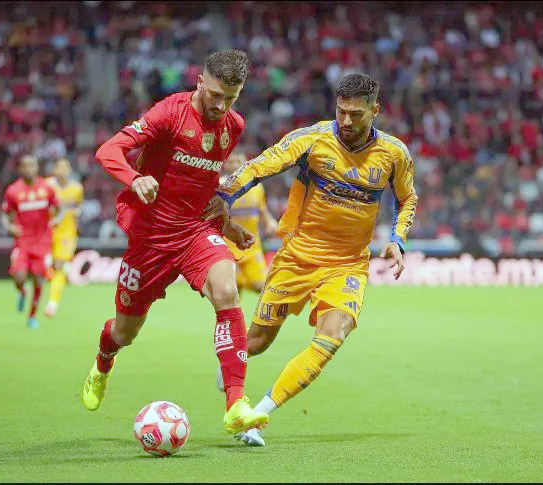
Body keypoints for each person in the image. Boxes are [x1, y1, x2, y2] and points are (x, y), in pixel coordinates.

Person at [205, 73, 418, 445]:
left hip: (348, 264)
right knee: (256, 342)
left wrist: (398, 240)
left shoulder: (394, 154)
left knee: (333, 335)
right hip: (297, 258)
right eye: (341, 111)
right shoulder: (313, 139)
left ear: (375, 110)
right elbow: (260, 165)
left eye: (356, 114)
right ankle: (232, 365)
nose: (347, 121)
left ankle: (258, 415)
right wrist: (225, 197)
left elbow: (408, 199)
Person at [81, 49, 269, 435]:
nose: (220, 105)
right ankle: (103, 361)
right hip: (150, 238)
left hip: (195, 232)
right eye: (215, 94)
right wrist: (134, 178)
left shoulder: (234, 125)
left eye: (230, 98)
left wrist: (226, 222)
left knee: (227, 290)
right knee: (124, 332)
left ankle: (236, 404)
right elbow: (108, 150)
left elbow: (200, 183)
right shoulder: (170, 112)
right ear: (200, 81)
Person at [0, 155, 62, 329]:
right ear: (20, 169)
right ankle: (21, 291)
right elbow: (5, 214)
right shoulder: (13, 191)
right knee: (18, 277)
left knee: (38, 279)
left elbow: (59, 209)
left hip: (43, 241)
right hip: (23, 241)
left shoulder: (47, 188)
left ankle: (32, 316)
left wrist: (56, 219)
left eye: (32, 165)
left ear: (37, 167)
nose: (29, 169)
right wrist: (10, 227)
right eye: (25, 166)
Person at [220, 151, 278, 294]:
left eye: (237, 162)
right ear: (226, 164)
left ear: (244, 164)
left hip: (252, 245)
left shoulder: (256, 187)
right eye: (230, 162)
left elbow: (262, 211)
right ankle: (232, 316)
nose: (234, 165)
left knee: (261, 286)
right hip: (228, 246)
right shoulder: (220, 186)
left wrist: (270, 222)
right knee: (232, 290)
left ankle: (264, 315)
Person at [44, 158, 84, 317]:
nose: (62, 170)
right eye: (59, 167)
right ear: (54, 169)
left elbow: (78, 207)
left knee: (59, 264)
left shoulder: (76, 188)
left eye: (66, 167)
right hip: (47, 231)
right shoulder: (47, 185)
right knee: (46, 267)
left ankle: (52, 303)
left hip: (67, 233)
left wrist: (77, 214)